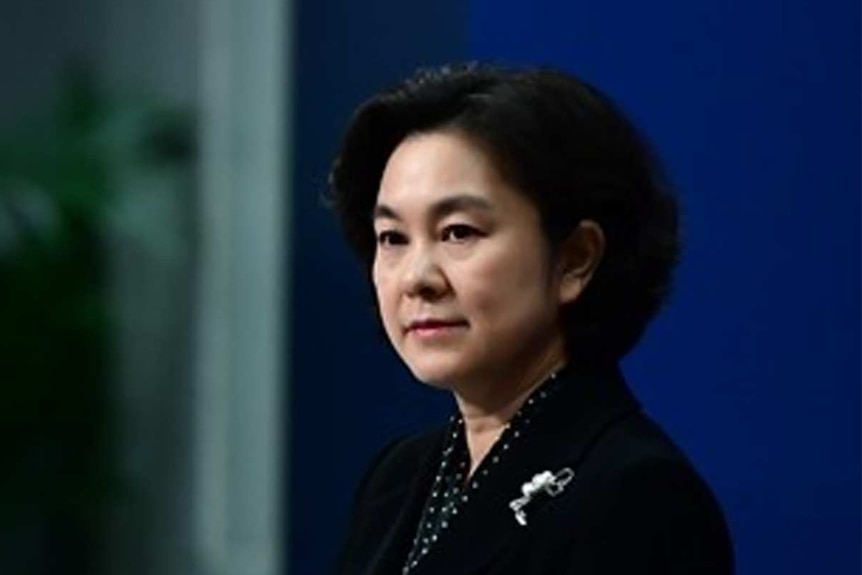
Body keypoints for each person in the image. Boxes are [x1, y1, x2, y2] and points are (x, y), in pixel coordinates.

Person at [327, 63, 733, 575]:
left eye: (458, 232)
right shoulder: (398, 477)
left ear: (575, 259)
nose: (417, 277)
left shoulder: (637, 495)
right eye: (393, 238)